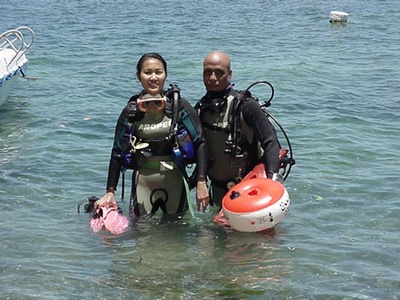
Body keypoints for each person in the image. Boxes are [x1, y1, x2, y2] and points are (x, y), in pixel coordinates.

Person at [95, 53, 209, 219]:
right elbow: (117, 152)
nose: (153, 77)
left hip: (174, 180)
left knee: (178, 234)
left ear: (165, 74)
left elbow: (201, 142)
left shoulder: (179, 106)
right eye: (147, 72)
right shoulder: (131, 111)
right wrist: (110, 192)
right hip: (143, 181)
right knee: (142, 236)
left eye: (159, 72)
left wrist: (201, 181)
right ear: (138, 76)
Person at [195, 51, 281, 207]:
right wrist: (199, 181)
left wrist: (271, 183)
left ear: (230, 74)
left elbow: (271, 143)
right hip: (217, 189)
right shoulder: (201, 109)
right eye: (207, 72)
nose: (212, 78)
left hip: (248, 190)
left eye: (219, 73)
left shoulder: (246, 106)